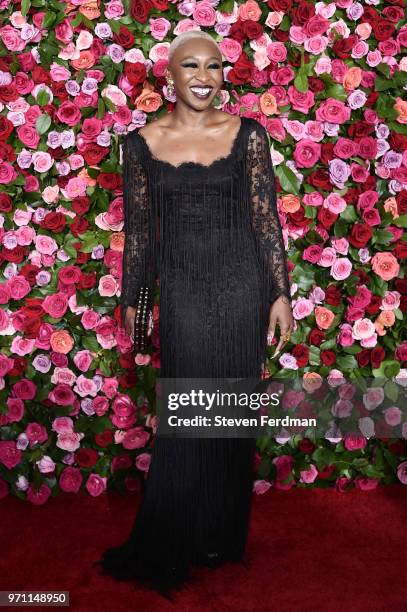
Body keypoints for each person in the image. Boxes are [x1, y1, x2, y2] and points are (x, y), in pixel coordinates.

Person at [95, 30, 294, 598]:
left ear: (222, 74)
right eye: (191, 66)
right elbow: (139, 235)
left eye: (213, 66)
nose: (203, 76)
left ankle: (218, 536)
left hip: (242, 291)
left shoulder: (247, 135)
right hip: (182, 291)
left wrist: (278, 293)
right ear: (171, 77)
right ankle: (174, 535)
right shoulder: (141, 144)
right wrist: (136, 301)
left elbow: (265, 220)